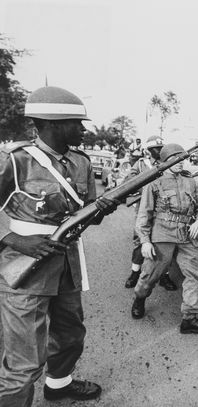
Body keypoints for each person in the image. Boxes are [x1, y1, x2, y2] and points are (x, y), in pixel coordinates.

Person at [0, 86, 117, 405]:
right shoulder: (16, 160)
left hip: (66, 266)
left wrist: (103, 210)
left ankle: (59, 385)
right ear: (51, 124)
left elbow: (87, 214)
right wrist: (16, 240)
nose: (83, 129)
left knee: (70, 335)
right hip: (25, 272)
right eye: (76, 123)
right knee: (24, 360)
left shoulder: (81, 162)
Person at [131, 143, 198, 335]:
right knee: (151, 274)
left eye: (183, 159)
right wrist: (144, 240)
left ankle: (190, 318)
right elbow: (144, 214)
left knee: (196, 274)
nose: (181, 163)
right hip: (162, 234)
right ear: (165, 162)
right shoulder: (154, 182)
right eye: (176, 160)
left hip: (187, 234)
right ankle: (140, 298)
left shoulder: (190, 182)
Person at [123, 135, 176, 291]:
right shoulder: (141, 164)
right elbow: (128, 183)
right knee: (140, 240)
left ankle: (164, 275)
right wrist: (146, 187)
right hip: (144, 208)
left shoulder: (168, 164)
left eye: (161, 148)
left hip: (164, 209)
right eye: (156, 149)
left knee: (164, 242)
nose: (159, 151)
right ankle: (135, 272)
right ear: (148, 150)